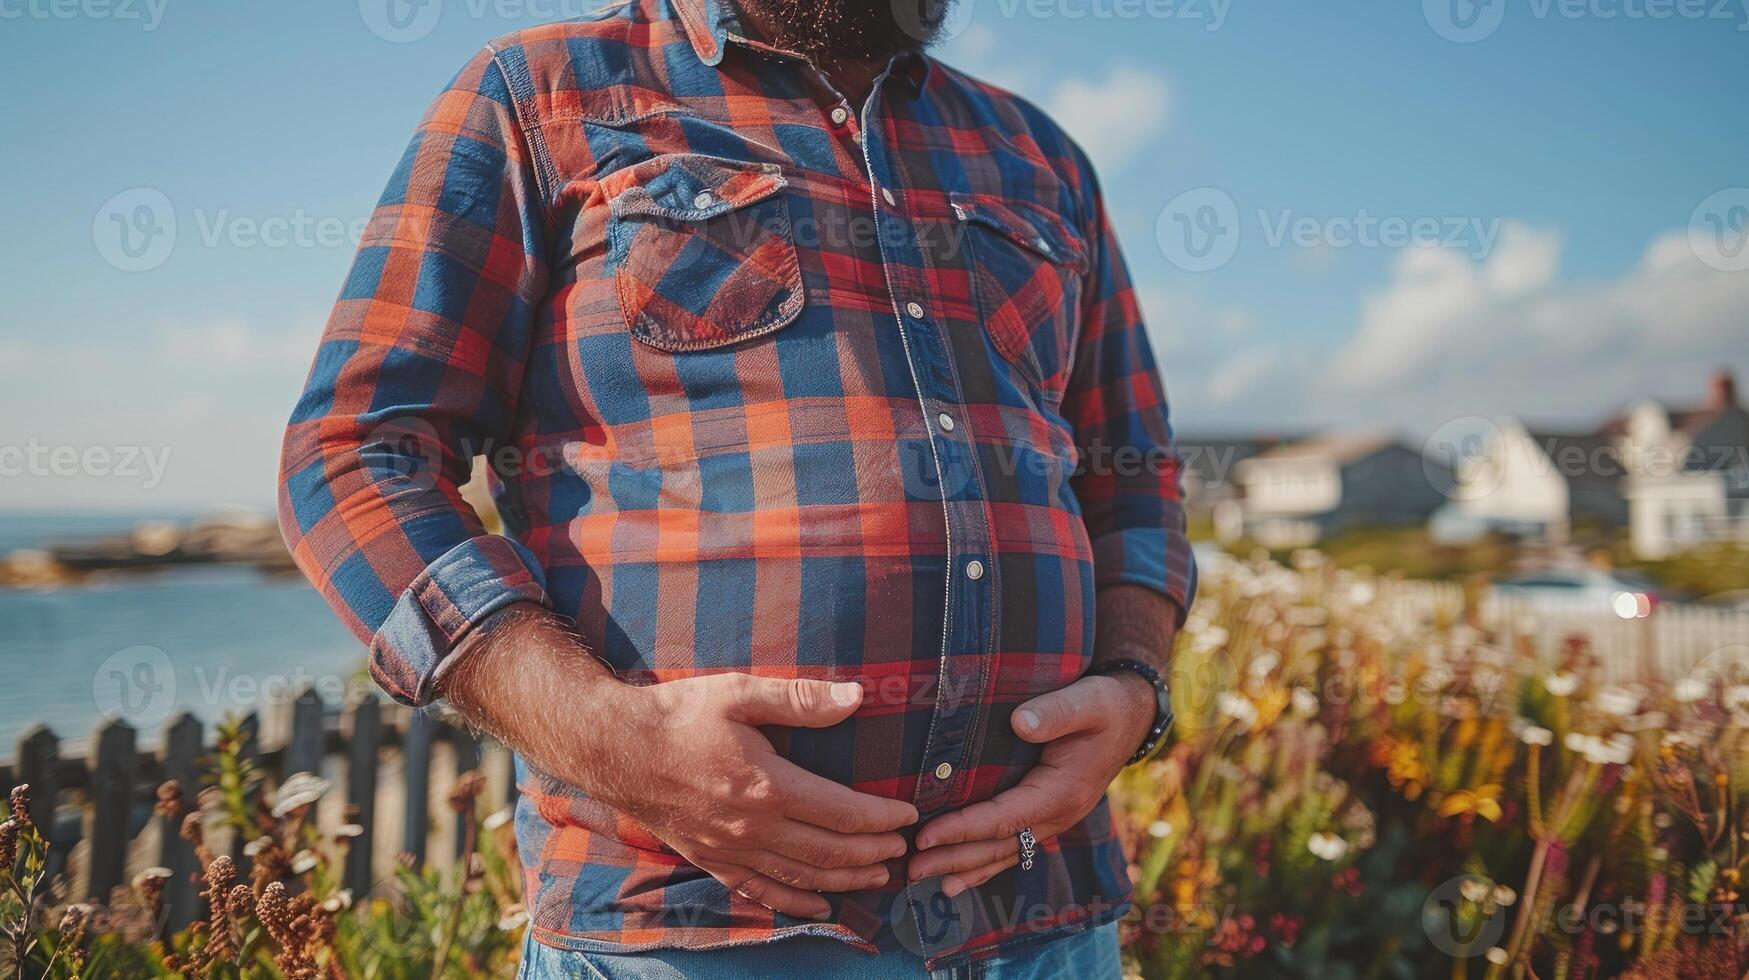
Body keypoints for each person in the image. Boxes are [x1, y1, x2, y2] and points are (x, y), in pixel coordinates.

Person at [278, 0, 1195, 975]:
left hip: (1043, 918)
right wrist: (611, 739)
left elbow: (1135, 477)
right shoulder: (537, 96)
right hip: (689, 930)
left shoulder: (1042, 156)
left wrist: (1137, 685)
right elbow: (357, 457)